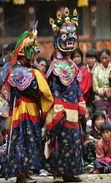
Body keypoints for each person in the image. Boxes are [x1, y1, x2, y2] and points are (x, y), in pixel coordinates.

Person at [5, 21, 54, 183]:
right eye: (31, 50)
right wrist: (37, 77)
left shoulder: (27, 70)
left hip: (30, 109)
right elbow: (33, 89)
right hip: (23, 110)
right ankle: (21, 174)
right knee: (22, 139)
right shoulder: (21, 71)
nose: (35, 53)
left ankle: (25, 172)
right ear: (23, 52)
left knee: (29, 138)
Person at [44, 8, 86, 183]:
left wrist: (81, 102)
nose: (70, 39)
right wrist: (58, 108)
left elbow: (76, 87)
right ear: (57, 39)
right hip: (61, 111)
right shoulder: (54, 66)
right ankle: (57, 174)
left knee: (74, 142)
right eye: (65, 36)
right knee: (59, 142)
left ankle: (70, 173)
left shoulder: (72, 65)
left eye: (72, 35)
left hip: (74, 111)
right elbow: (54, 90)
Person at [93, 48, 111, 119]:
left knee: (110, 120)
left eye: (106, 58)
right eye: (102, 58)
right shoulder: (96, 69)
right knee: (100, 119)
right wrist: (102, 91)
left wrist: (109, 91)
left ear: (110, 57)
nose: (104, 60)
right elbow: (95, 86)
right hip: (99, 98)